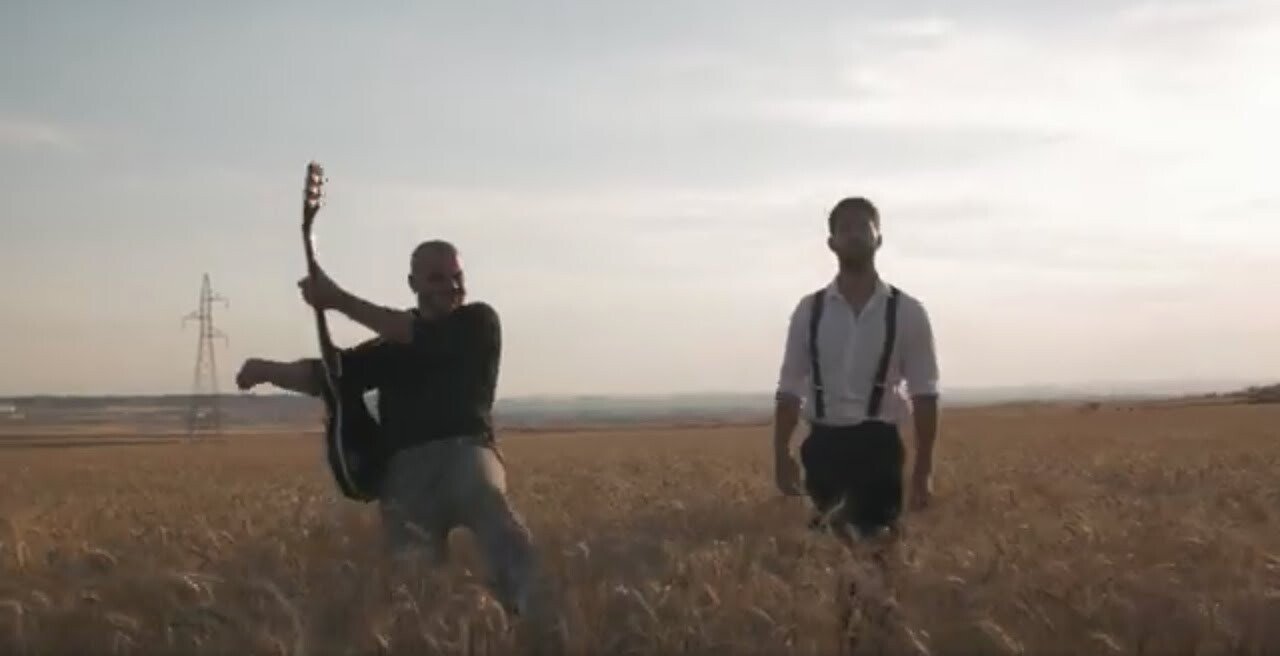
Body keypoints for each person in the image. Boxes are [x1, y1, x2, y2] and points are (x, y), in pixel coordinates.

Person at [234, 239, 540, 616]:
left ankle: (530, 617)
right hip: (406, 475)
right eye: (438, 278)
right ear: (413, 284)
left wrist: (336, 299)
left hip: (467, 457)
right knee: (414, 589)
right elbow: (332, 376)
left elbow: (410, 332)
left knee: (500, 528)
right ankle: (430, 633)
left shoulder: (477, 322)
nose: (451, 286)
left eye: (457, 277)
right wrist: (266, 370)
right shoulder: (390, 346)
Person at [772, 197, 941, 542]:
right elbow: (790, 388)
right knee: (825, 553)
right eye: (844, 228)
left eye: (863, 227)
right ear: (831, 243)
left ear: (879, 239)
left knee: (879, 551)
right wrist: (781, 453)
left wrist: (923, 469)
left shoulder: (907, 311)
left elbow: (924, 393)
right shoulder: (809, 310)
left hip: (879, 448)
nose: (853, 235)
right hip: (823, 447)